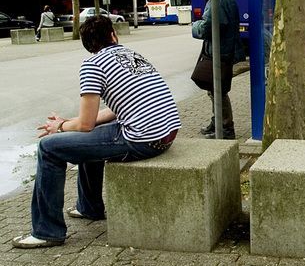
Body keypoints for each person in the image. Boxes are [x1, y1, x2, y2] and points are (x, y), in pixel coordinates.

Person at [11, 16, 181, 249]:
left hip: (143, 139)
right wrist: (70, 123)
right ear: (113, 35)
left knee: (48, 148)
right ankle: (88, 207)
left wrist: (60, 127)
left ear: (87, 44)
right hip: (165, 133)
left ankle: (46, 231)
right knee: (87, 140)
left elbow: (85, 126)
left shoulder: (93, 64)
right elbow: (109, 111)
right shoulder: (132, 56)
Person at [192, 0, 241, 140]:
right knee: (214, 89)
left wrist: (195, 25)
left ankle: (226, 129)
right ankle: (218, 122)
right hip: (223, 50)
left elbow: (208, 27)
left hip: (220, 52)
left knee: (218, 90)